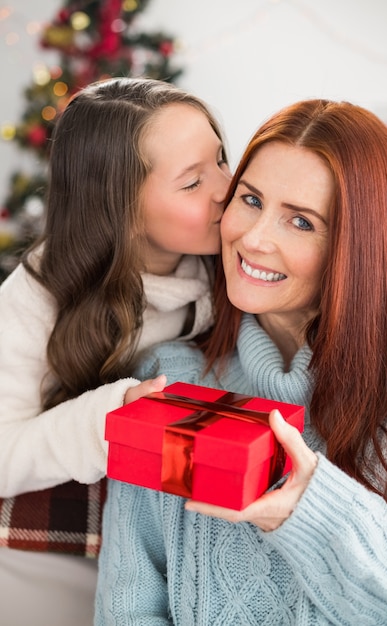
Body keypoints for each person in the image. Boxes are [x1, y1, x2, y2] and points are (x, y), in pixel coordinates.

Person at [95, 98, 387, 625]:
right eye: (251, 199)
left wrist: (309, 510)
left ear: (360, 248)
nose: (254, 237)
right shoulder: (171, 380)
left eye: (301, 222)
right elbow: (128, 604)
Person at [0, 76, 231, 625]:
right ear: (121, 209)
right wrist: (110, 422)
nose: (229, 187)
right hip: (56, 539)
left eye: (222, 159)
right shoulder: (36, 297)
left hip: (180, 535)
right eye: (193, 182)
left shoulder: (234, 256)